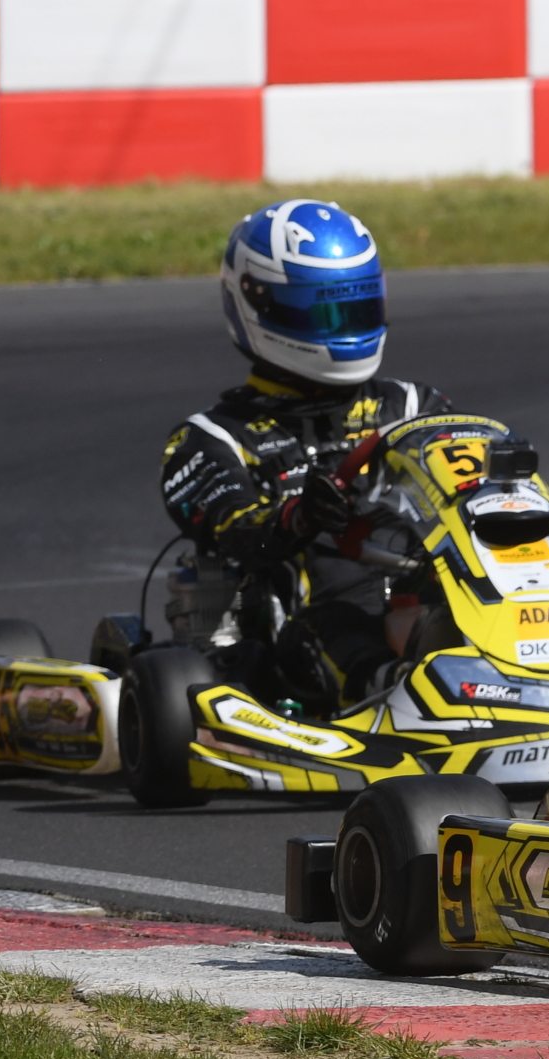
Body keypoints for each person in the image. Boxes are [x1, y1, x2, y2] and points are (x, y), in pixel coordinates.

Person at [158, 199, 452, 714]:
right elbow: (235, 534)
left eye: (357, 309)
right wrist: (298, 516)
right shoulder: (213, 438)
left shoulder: (412, 407)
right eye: (324, 312)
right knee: (334, 623)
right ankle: (395, 693)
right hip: (299, 636)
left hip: (425, 597)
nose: (344, 326)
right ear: (261, 305)